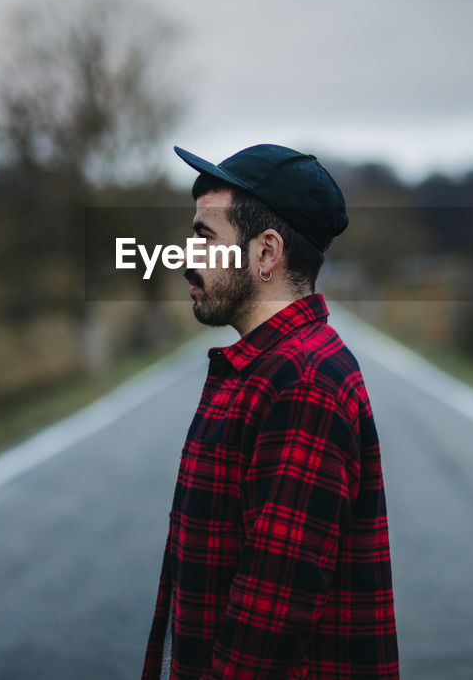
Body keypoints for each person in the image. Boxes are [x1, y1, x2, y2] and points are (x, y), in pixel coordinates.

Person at [142, 144, 399, 679]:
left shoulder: (303, 382)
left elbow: (270, 624)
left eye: (205, 238)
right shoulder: (261, 369)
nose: (187, 258)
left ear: (265, 254)